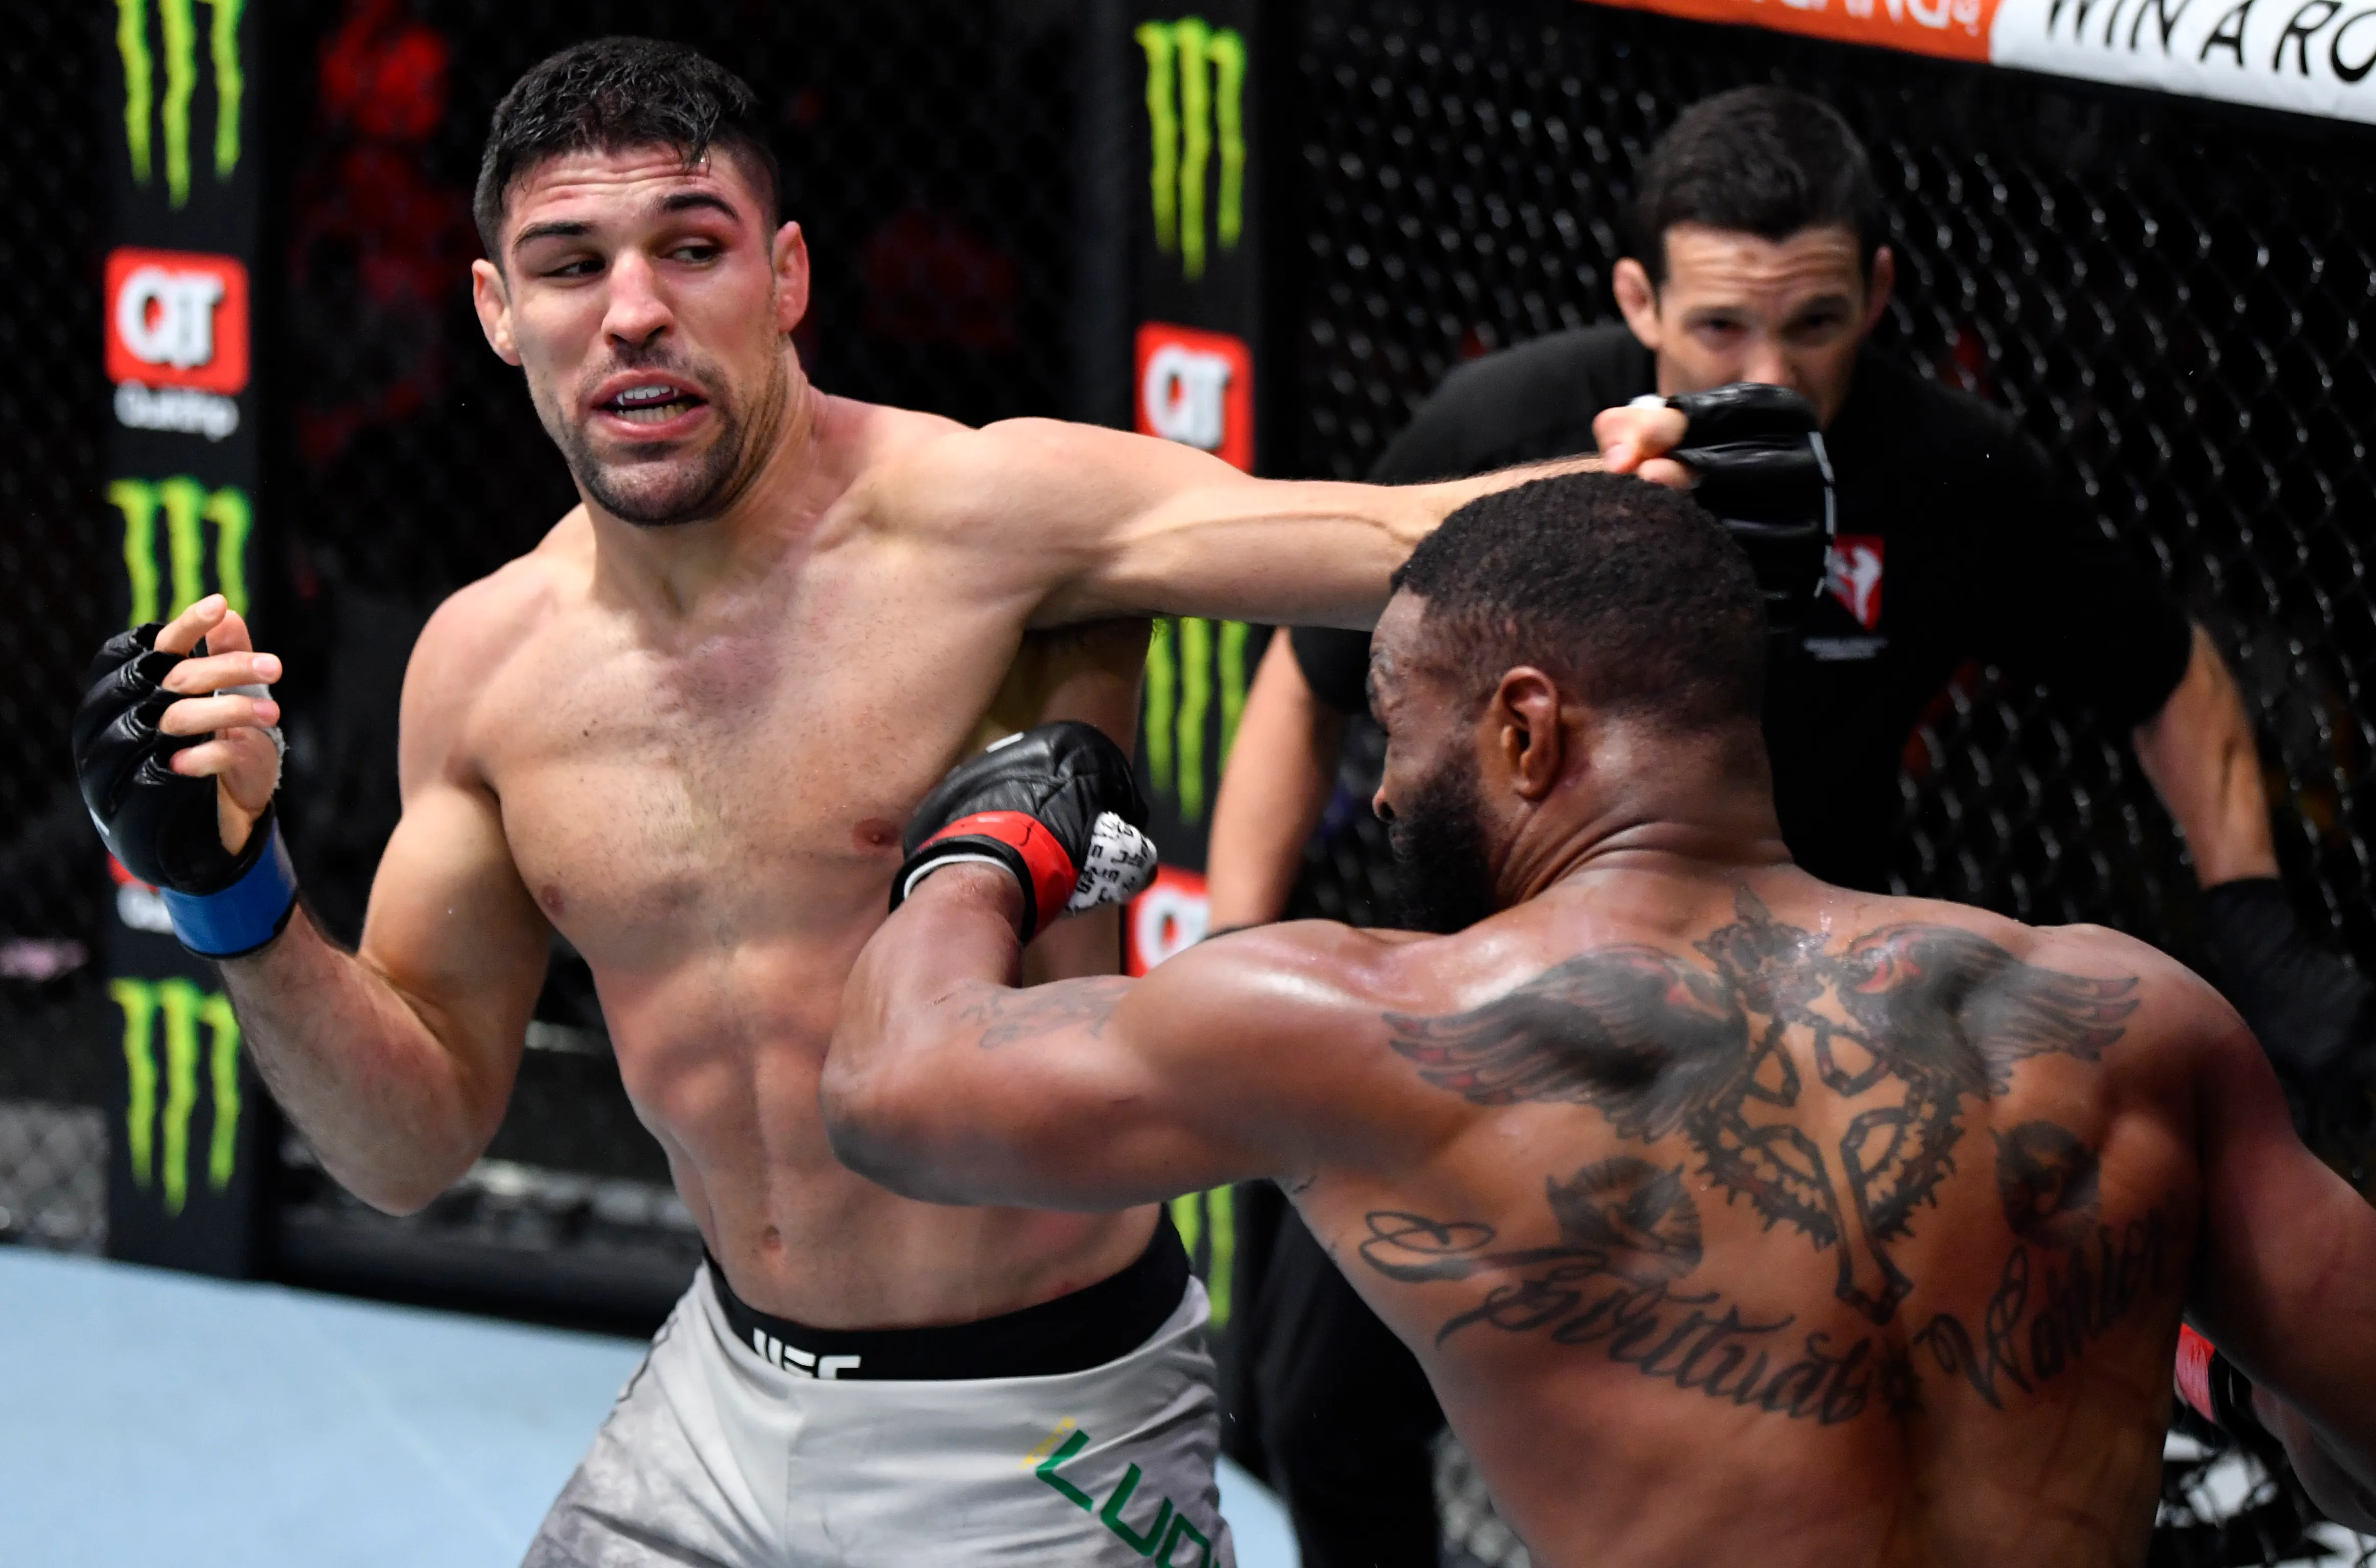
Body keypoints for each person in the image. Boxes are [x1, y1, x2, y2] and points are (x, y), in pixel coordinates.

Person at [68, 38, 1692, 1568]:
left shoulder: (999, 522)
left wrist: (1653, 484)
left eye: (690, 250)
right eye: (572, 268)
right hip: (716, 1398)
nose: (632, 312)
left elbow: (1401, 542)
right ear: (499, 312)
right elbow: (409, 1147)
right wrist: (230, 901)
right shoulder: (482, 669)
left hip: (1039, 1428)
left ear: (784, 278)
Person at [1200, 84, 2373, 1564]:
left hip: (1813, 1027)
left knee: (1811, 1417)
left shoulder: (1951, 471)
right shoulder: (1509, 431)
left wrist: (2249, 904)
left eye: (1814, 323)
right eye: (1719, 330)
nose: (1771, 370)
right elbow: (1306, 682)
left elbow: (2163, 668)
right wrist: (1242, 943)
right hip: (1483, 1009)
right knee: (1320, 1410)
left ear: (1881, 292)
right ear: (1639, 298)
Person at [820, 471, 2376, 1567]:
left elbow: (895, 1088)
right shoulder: (2125, 1014)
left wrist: (984, 849)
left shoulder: (1362, 1027)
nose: (1381, 783)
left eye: (1401, 724)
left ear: (1523, 723)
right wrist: (2235, 1392)